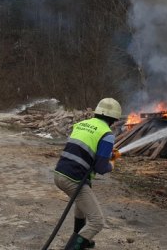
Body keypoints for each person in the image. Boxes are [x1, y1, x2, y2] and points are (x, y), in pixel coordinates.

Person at [53, 98, 122, 250]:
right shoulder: (107, 134)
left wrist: (107, 154)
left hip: (59, 173)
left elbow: (86, 149)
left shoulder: (82, 124)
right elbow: (101, 167)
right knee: (97, 221)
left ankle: (83, 239)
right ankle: (74, 246)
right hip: (73, 179)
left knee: (81, 205)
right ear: (114, 119)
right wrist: (112, 163)